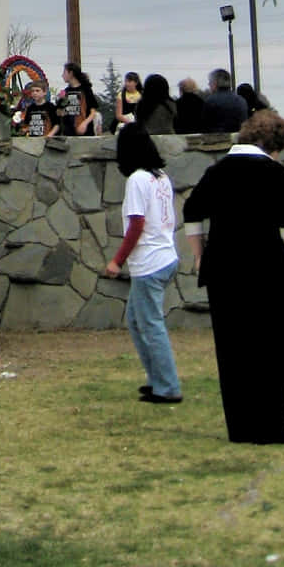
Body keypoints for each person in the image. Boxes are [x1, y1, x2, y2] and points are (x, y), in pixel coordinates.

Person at [182, 108, 284, 445]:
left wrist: (199, 254)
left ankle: (239, 427)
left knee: (233, 351)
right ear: (273, 145)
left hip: (223, 272)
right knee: (272, 350)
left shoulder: (217, 171)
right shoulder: (273, 173)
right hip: (267, 272)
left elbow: (191, 211)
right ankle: (269, 427)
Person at [105, 127, 182, 404]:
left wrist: (117, 261)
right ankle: (157, 380)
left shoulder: (137, 179)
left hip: (149, 262)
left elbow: (137, 224)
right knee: (137, 321)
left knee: (150, 324)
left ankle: (168, 386)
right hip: (165, 256)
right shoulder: (161, 177)